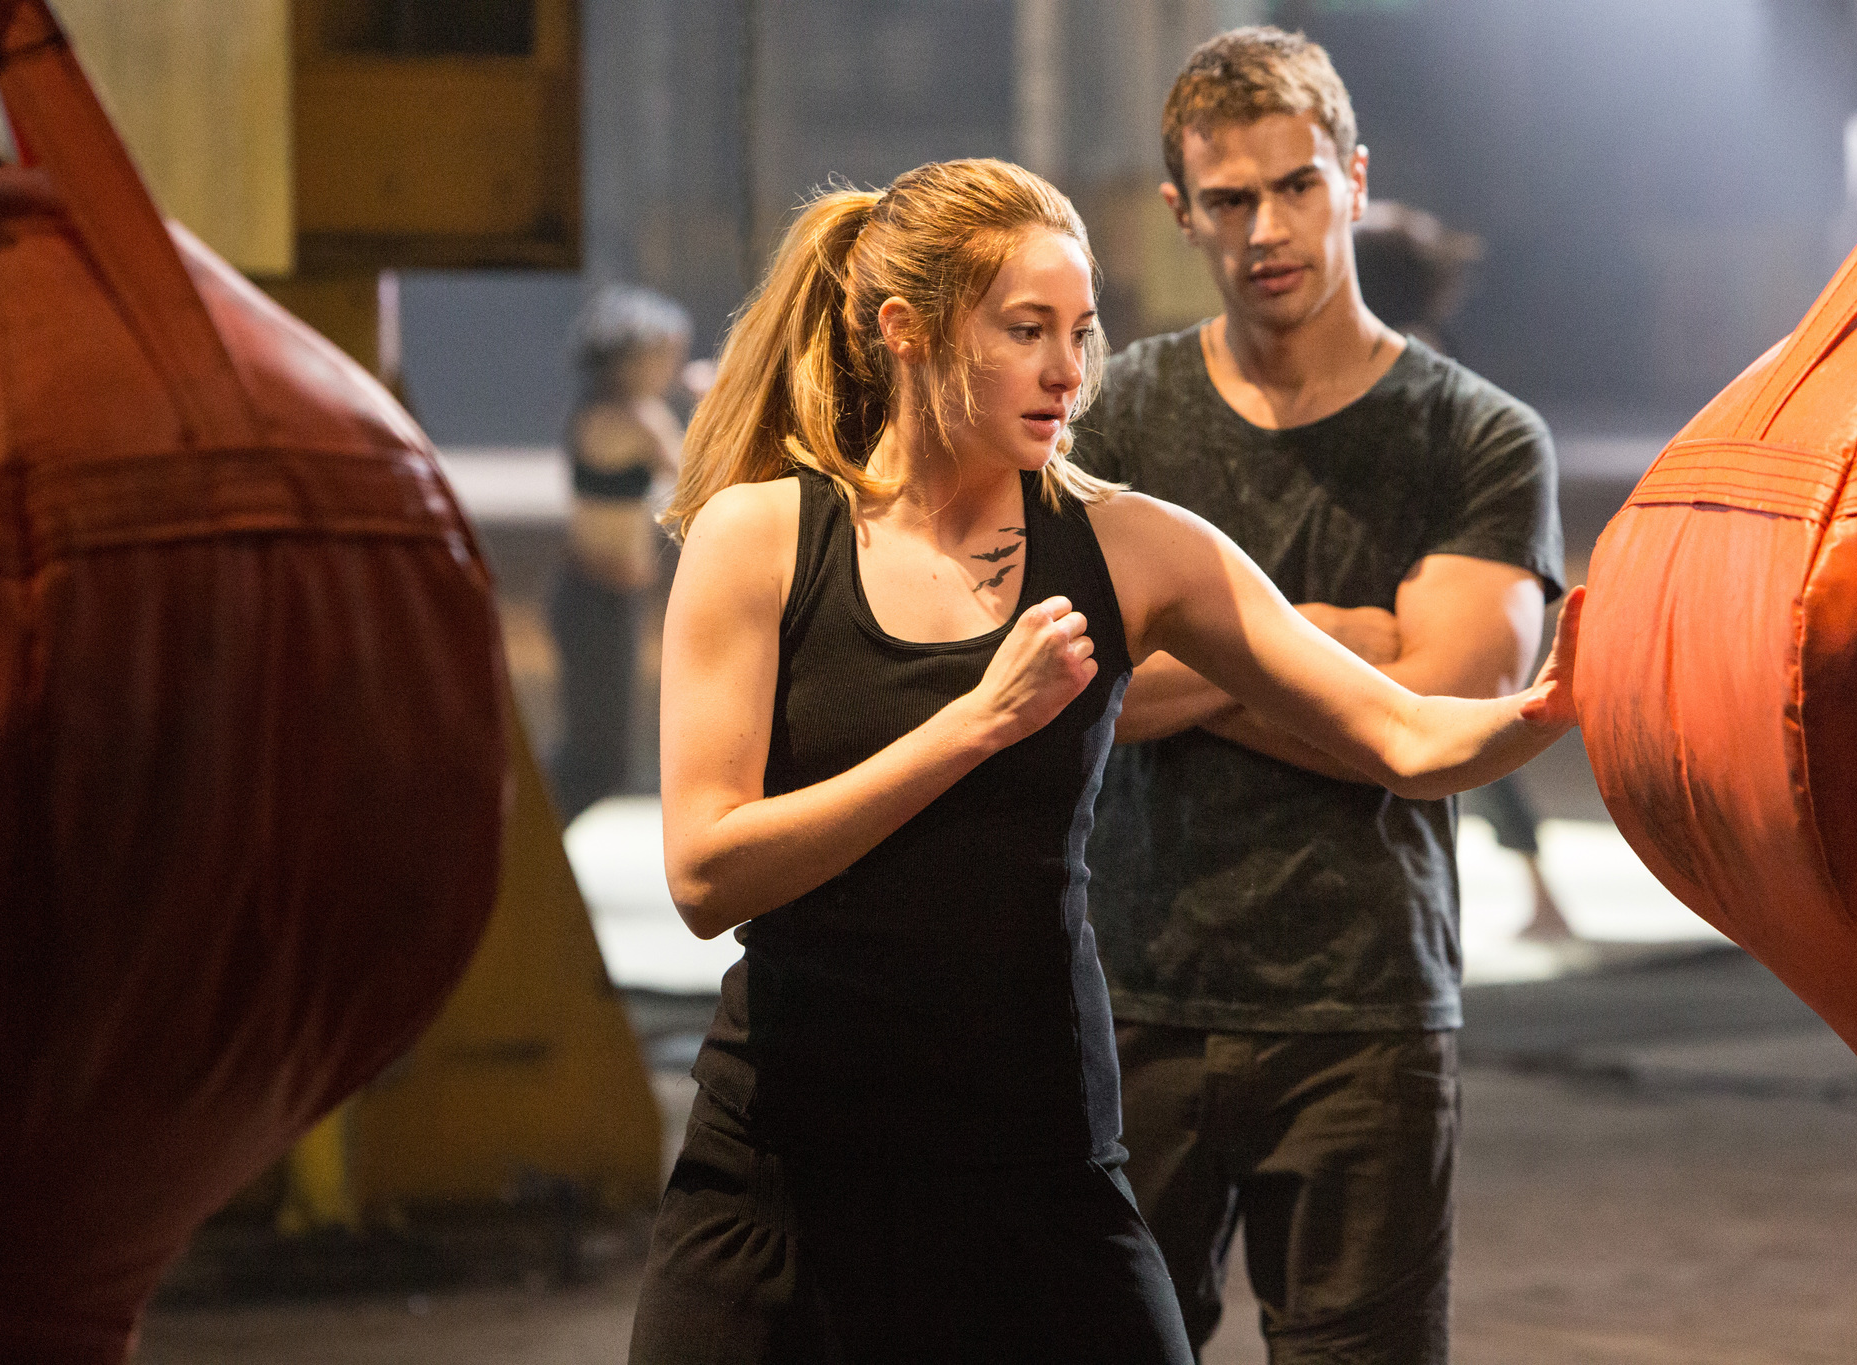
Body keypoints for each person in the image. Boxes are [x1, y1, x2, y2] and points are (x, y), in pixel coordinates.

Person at [627, 156, 1580, 1365]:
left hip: (1033, 1159)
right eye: (1025, 331)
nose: (1069, 370)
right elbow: (708, 875)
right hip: (786, 1163)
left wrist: (1543, 711)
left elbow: (1400, 732)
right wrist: (975, 723)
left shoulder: (1132, 545)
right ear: (904, 332)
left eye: (1082, 331)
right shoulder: (760, 537)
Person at [1071, 29, 1566, 1364]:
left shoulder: (1478, 436)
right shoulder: (1116, 420)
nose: (1266, 228)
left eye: (1295, 187)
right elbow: (1078, 693)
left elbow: (1446, 721)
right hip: (1132, 995)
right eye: (1228, 201)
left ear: (1354, 179)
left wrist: (1192, 639)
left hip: (1367, 1014)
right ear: (1183, 214)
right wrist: (1346, 649)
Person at [1354, 199, 1576, 942]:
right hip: (1437, 560)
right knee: (1450, 739)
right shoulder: (1418, 343)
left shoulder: (1401, 356)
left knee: (1457, 732)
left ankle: (1535, 895)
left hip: (1429, 567)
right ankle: (1534, 893)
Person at [546, 285, 691, 824]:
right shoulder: (630, 418)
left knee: (595, 759)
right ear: (630, 356)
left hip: (598, 599)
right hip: (595, 601)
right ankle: (525, 852)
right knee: (594, 763)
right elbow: (696, 481)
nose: (670, 366)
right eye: (663, 355)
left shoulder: (605, 409)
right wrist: (716, 401)